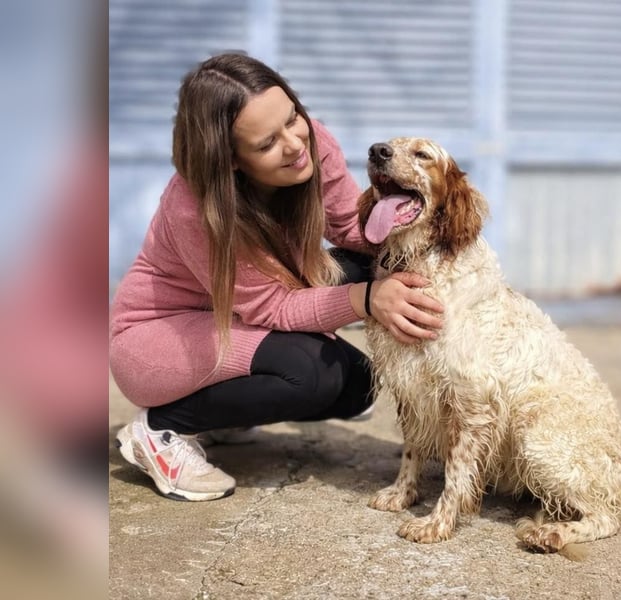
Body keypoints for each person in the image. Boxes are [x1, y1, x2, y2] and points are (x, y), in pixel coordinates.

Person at [110, 53, 444, 502]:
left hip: (241, 314)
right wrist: (367, 300)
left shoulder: (309, 143)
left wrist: (433, 229)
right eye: (267, 143)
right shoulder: (196, 208)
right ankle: (162, 428)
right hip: (160, 334)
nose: (294, 144)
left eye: (292, 118)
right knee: (311, 377)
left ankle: (222, 415)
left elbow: (352, 228)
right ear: (229, 160)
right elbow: (273, 307)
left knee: (359, 385)